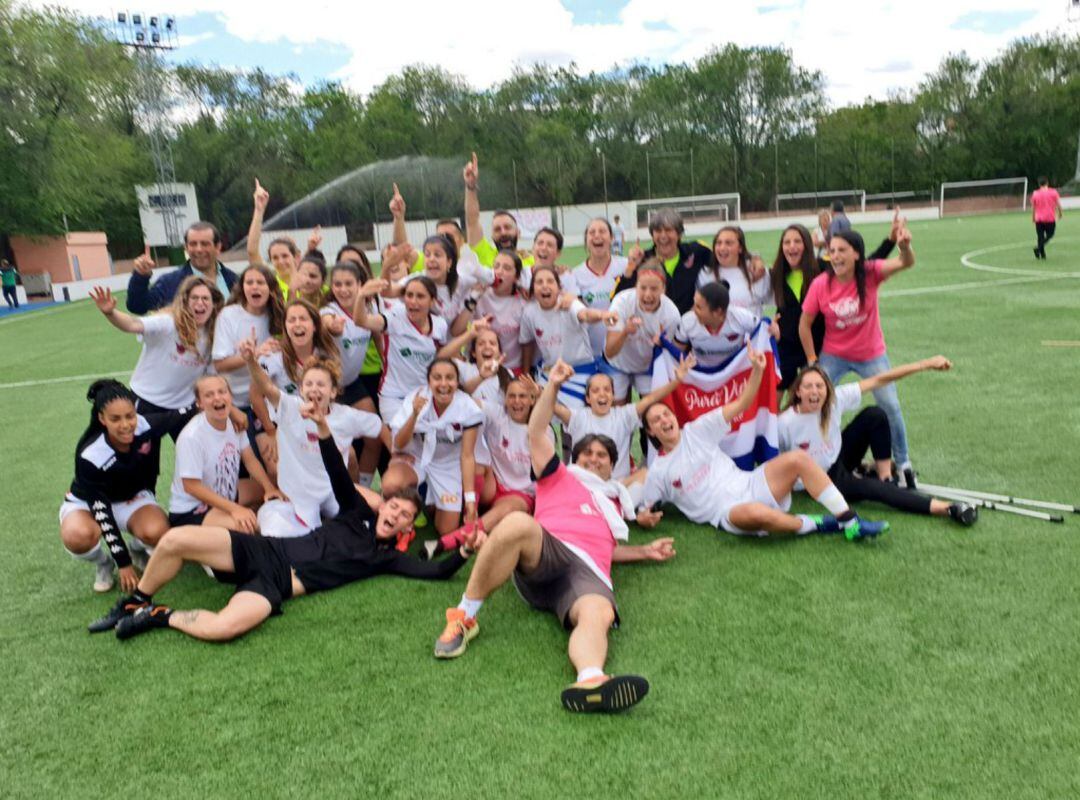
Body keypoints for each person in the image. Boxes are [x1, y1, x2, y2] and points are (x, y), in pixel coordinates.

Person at [89, 403, 472, 642]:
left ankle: (158, 616)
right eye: (393, 508)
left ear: (407, 528)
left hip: (278, 584)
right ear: (383, 505)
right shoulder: (356, 513)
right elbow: (338, 472)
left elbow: (436, 573)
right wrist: (323, 429)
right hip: (265, 550)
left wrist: (465, 552)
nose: (395, 515)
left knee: (225, 628)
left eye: (404, 517)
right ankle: (135, 601)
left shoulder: (386, 558)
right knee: (175, 540)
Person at [433, 359, 677, 714]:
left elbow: (606, 551)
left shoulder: (614, 502)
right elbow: (535, 431)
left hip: (586, 572)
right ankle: (463, 618)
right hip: (545, 552)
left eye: (603, 457)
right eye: (588, 453)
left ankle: (591, 679)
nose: (595, 460)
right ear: (574, 459)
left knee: (599, 612)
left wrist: (644, 551)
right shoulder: (558, 475)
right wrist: (553, 387)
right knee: (517, 522)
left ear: (613, 466)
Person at [639, 341, 889, 540]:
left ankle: (849, 520)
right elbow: (644, 508)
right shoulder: (659, 471)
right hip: (727, 512)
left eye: (666, 414)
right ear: (651, 432)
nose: (664, 420)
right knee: (755, 512)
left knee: (798, 459)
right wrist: (644, 518)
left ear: (675, 416)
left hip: (750, 483)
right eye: (656, 420)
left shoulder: (697, 430)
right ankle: (819, 524)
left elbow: (741, 404)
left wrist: (757, 371)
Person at [779, 360, 977, 526]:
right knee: (873, 489)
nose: (815, 391)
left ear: (826, 389)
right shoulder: (785, 423)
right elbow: (771, 462)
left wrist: (925, 364)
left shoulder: (834, 400)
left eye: (819, 386)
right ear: (798, 392)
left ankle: (885, 476)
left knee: (874, 415)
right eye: (808, 386)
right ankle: (948, 508)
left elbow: (879, 379)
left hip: (838, 458)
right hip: (821, 480)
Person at [798, 226, 918, 487]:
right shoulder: (821, 284)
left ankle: (904, 463)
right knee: (810, 398)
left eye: (842, 250)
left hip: (871, 354)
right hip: (834, 354)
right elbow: (804, 324)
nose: (836, 256)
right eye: (832, 251)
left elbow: (905, 262)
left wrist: (905, 246)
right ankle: (808, 457)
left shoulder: (871, 272)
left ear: (856, 254)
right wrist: (812, 361)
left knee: (890, 405)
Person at [241, 340, 384, 539]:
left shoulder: (347, 416)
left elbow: (379, 427)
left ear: (333, 392)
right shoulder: (289, 407)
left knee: (376, 506)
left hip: (333, 491)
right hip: (299, 495)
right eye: (308, 384)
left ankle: (329, 521)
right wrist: (250, 361)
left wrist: (399, 456)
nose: (314, 389)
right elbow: (266, 386)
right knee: (285, 534)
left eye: (321, 384)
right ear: (301, 389)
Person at [60, 380, 176, 595]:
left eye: (129, 416)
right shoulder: (90, 454)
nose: (125, 425)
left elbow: (178, 415)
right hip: (89, 504)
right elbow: (102, 512)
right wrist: (122, 563)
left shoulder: (144, 425)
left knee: (158, 531)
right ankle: (104, 564)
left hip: (130, 499)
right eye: (115, 419)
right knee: (78, 536)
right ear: (102, 419)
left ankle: (136, 549)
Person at [424, 373, 555, 558]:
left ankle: (445, 543)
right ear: (505, 399)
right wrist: (480, 376)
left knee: (505, 511)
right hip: (492, 486)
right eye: (512, 396)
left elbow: (549, 475)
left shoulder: (542, 431)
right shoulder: (497, 413)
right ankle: (470, 512)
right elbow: (463, 397)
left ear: (532, 400)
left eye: (523, 396)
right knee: (477, 460)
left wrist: (542, 394)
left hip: (520, 495)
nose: (517, 402)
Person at [89, 277, 224, 440]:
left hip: (183, 406)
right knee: (143, 457)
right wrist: (110, 312)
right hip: (147, 401)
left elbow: (211, 375)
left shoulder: (214, 333)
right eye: (194, 298)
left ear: (214, 303)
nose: (200, 303)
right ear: (185, 301)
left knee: (197, 450)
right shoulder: (168, 323)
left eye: (205, 298)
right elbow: (132, 324)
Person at [553, 354, 696, 481]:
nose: (602, 394)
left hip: (618, 487)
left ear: (613, 396)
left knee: (644, 475)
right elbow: (553, 407)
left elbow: (650, 398)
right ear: (588, 398)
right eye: (596, 391)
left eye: (607, 390)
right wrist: (546, 389)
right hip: (584, 485)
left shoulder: (623, 416)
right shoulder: (578, 416)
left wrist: (677, 381)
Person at [168, 375, 282, 531]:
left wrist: (269, 488)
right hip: (194, 508)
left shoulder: (235, 423)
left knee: (277, 490)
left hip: (226, 493)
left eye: (222, 392)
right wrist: (234, 509)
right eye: (209, 395)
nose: (217, 398)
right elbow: (191, 487)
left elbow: (249, 460)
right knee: (249, 527)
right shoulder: (192, 437)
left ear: (230, 396)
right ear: (199, 403)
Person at [386, 359, 484, 537]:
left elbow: (467, 456)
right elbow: (399, 443)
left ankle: (426, 503)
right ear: (429, 381)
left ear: (457, 382)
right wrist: (414, 415)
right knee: (391, 484)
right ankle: (404, 512)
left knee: (446, 529)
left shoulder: (468, 407)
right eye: (437, 378)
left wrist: (470, 499)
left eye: (450, 378)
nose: (444, 384)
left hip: (448, 465)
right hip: (417, 457)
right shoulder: (416, 398)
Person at [250, 299, 339, 479]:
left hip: (311, 419)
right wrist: (271, 432)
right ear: (285, 327)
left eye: (303, 319)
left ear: (314, 326)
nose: (297, 324)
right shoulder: (273, 355)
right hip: (274, 421)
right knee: (277, 471)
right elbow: (255, 396)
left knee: (345, 458)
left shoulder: (326, 354)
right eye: (291, 320)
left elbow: (332, 397)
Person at [352, 274, 448, 426]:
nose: (413, 301)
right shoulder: (394, 317)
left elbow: (443, 357)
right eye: (409, 295)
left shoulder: (440, 325)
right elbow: (360, 320)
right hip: (393, 397)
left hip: (424, 395)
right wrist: (361, 295)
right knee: (399, 445)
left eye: (420, 296)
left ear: (432, 301)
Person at [519, 265, 619, 408]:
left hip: (580, 373)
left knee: (575, 423)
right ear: (533, 289)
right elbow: (527, 344)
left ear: (559, 287)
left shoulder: (569, 304)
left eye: (550, 281)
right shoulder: (529, 312)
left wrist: (603, 315)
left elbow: (585, 314)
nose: (545, 286)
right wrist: (525, 374)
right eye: (539, 282)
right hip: (550, 374)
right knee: (541, 417)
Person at [211, 264, 286, 420]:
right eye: (249, 282)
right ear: (242, 288)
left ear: (271, 288)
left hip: (270, 399)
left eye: (260, 282)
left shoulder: (279, 315)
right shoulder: (229, 315)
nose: (254, 287)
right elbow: (219, 365)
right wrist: (252, 355)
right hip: (237, 401)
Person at [605, 262, 682, 401]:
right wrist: (625, 332)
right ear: (636, 286)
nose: (648, 294)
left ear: (663, 289)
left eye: (654, 289)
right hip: (618, 364)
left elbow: (670, 356)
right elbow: (609, 352)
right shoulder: (620, 303)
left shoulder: (671, 314)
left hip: (648, 367)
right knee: (618, 411)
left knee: (653, 410)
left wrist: (662, 345)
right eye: (643, 288)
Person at [612, 208, 712, 314]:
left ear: (679, 234)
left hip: (688, 326)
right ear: (652, 235)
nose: (663, 236)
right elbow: (616, 298)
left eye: (668, 230)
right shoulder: (642, 259)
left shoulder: (696, 251)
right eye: (658, 231)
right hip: (654, 327)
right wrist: (631, 267)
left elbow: (723, 267)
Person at [126, 223, 238, 314]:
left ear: (218, 247)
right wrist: (140, 277)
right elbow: (137, 306)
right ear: (186, 247)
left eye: (205, 244)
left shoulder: (234, 280)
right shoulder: (170, 282)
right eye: (193, 244)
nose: (199, 249)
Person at [565, 219, 633, 359]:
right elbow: (579, 314)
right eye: (592, 232)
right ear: (586, 240)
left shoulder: (627, 266)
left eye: (602, 231)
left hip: (625, 351)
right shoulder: (575, 274)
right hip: (593, 352)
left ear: (612, 238)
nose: (597, 235)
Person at [768, 225, 824, 390]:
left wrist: (891, 242)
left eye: (797, 241)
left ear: (807, 244)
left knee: (812, 398)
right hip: (786, 345)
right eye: (787, 242)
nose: (791, 246)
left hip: (815, 346)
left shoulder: (821, 269)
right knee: (776, 399)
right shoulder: (776, 274)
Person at [462, 152, 535, 269]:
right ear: (492, 236)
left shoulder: (532, 262)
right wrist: (470, 186)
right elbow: (472, 221)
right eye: (497, 229)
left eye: (507, 227)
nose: (503, 233)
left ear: (518, 233)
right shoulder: (485, 255)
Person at [673, 281, 759, 369]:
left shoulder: (742, 318)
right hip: (700, 373)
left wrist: (772, 330)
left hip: (734, 371)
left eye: (698, 307)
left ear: (718, 312)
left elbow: (764, 331)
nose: (693, 310)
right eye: (694, 304)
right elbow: (675, 353)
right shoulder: (687, 321)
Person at [473, 249, 528, 372]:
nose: (499, 272)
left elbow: (527, 343)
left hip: (512, 368)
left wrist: (525, 373)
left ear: (516, 277)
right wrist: (473, 297)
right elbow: (458, 329)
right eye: (496, 266)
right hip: (481, 368)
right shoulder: (479, 295)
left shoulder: (523, 302)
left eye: (507, 268)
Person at [698, 226, 771, 317]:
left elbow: (779, 301)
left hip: (752, 330)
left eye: (728, 243)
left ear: (740, 248)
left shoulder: (756, 271)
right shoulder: (704, 274)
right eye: (718, 243)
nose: (722, 248)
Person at [246, 177, 298, 295]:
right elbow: (252, 251)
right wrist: (259, 210)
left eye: (285, 256)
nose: (280, 261)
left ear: (295, 257)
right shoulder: (271, 284)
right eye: (275, 258)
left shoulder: (309, 284)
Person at [1031, 176, 1063, 259]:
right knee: (1050, 235)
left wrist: (1033, 217)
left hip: (1039, 219)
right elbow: (1058, 205)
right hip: (1050, 218)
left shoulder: (1035, 193)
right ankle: (1039, 249)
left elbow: (1034, 207)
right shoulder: (1053, 192)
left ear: (1039, 184)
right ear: (1047, 183)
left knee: (1040, 237)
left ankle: (1042, 254)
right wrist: (1060, 214)